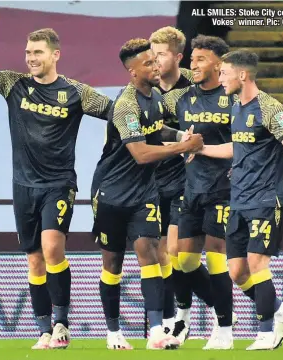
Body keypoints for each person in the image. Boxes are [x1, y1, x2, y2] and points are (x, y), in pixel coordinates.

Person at [0, 11, 113, 349]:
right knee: (34, 259)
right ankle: (43, 330)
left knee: (52, 247)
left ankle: (61, 324)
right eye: (28, 52)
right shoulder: (15, 84)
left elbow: (117, 113)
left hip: (58, 183)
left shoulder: (76, 92)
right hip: (23, 185)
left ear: (55, 55)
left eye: (38, 52)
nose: (31, 58)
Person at [193, 48, 283, 350]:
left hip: (266, 199)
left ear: (242, 74)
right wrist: (200, 149)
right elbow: (237, 149)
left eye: (224, 72)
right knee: (236, 271)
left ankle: (265, 332)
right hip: (239, 200)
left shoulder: (270, 109)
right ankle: (280, 309)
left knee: (257, 262)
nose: (221, 78)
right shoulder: (236, 108)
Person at [90, 38, 203, 350]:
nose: (156, 67)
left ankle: (156, 330)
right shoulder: (125, 105)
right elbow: (140, 152)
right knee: (113, 264)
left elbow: (155, 130)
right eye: (148, 64)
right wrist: (184, 148)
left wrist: (181, 135)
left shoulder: (154, 97)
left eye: (156, 60)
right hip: (111, 193)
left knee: (150, 253)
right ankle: (113, 332)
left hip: (144, 193)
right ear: (131, 72)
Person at [161, 35, 235, 349]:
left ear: (219, 64)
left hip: (223, 190)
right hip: (191, 190)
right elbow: (170, 134)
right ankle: (189, 319)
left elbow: (244, 144)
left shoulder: (234, 98)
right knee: (185, 262)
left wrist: (204, 148)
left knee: (217, 259)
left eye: (200, 59)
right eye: (192, 59)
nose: (194, 64)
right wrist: (181, 145)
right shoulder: (182, 99)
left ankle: (224, 330)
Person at [149, 26, 196, 334]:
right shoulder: (144, 87)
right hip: (152, 180)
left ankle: (184, 314)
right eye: (151, 53)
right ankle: (170, 319)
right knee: (162, 254)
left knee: (177, 251)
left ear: (178, 57)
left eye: (161, 54)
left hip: (188, 180)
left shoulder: (196, 85)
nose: (154, 60)